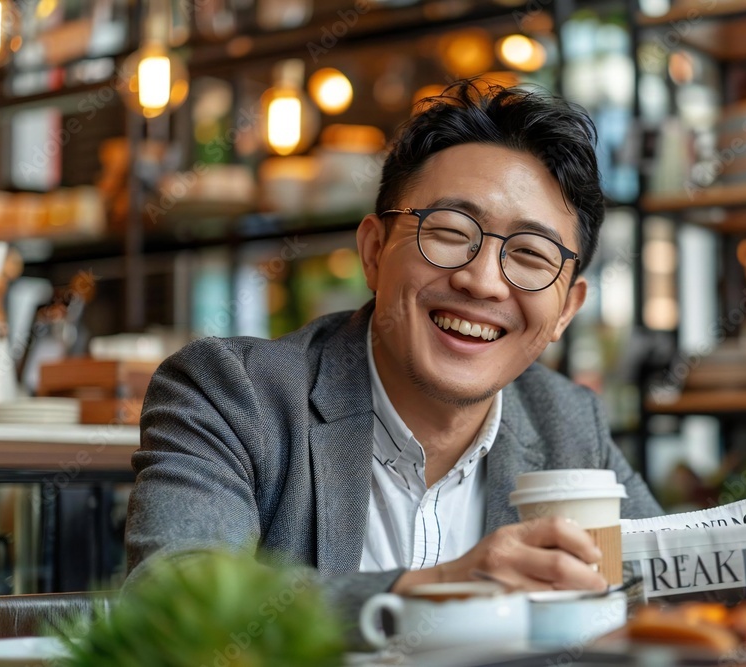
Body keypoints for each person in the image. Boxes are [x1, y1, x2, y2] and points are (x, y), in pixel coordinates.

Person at [125, 80, 662, 641]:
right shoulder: (234, 394)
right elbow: (174, 602)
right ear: (374, 252)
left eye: (530, 254)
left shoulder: (570, 423)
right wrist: (439, 588)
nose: (482, 281)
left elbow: (667, 592)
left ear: (565, 312)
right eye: (451, 232)